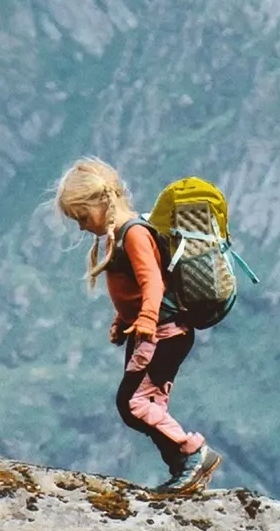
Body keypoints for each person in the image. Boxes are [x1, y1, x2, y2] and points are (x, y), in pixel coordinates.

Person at [55, 157, 218, 494]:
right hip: (151, 331)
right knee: (148, 404)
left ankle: (193, 454)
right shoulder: (125, 234)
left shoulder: (134, 234)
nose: (82, 227)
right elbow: (132, 289)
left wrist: (144, 317)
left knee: (133, 404)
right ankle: (184, 471)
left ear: (101, 202)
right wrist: (123, 320)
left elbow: (152, 283)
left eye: (82, 217)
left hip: (160, 332)